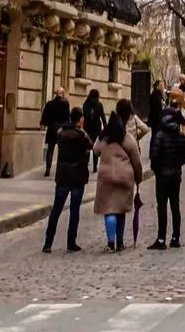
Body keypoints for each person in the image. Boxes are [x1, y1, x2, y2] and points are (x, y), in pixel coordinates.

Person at [43, 106, 92, 253]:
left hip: (63, 175)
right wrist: (83, 131)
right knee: (74, 210)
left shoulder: (61, 133)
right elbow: (90, 145)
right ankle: (71, 242)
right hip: (77, 176)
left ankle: (48, 242)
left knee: (56, 209)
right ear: (81, 119)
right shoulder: (81, 135)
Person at [93, 111, 142, 251]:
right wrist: (138, 179)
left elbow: (95, 150)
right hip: (124, 177)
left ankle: (110, 243)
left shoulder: (104, 138)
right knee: (120, 210)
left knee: (109, 211)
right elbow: (137, 162)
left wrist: (102, 135)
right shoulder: (128, 139)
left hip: (106, 178)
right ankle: (120, 242)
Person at [147, 99, 185, 248]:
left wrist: (157, 169)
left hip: (162, 175)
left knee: (162, 206)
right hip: (176, 174)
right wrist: (177, 165)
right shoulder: (180, 136)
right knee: (175, 206)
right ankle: (175, 237)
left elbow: (154, 155)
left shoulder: (159, 135)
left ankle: (161, 239)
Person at [40, 86, 71, 175]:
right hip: (61, 130)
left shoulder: (49, 104)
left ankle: (48, 169)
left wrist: (43, 123)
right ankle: (59, 169)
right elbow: (67, 118)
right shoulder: (65, 104)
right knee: (61, 151)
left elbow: (45, 116)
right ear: (62, 94)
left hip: (51, 129)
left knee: (50, 149)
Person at [83, 87, 106, 168]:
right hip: (96, 128)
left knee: (88, 146)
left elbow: (84, 116)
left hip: (88, 128)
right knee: (95, 147)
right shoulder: (99, 104)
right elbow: (102, 116)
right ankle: (95, 165)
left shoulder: (86, 104)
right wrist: (105, 126)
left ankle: (87, 162)